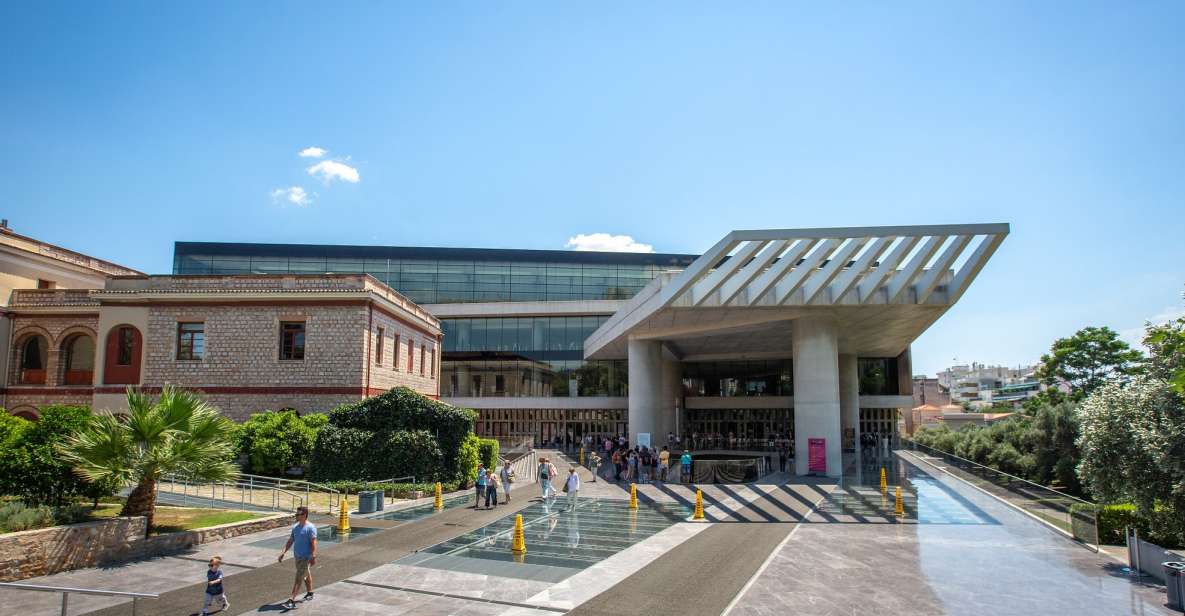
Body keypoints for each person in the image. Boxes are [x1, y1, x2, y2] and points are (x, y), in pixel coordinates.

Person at [278, 506, 317, 609]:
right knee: (305, 575)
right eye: (296, 514)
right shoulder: (295, 527)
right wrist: (283, 552)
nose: (296, 516)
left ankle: (291, 600)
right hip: (297, 557)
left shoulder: (310, 528)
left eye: (298, 514)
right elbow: (291, 540)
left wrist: (313, 556)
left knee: (299, 578)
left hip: (306, 557)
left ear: (304, 515)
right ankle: (310, 592)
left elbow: (313, 543)